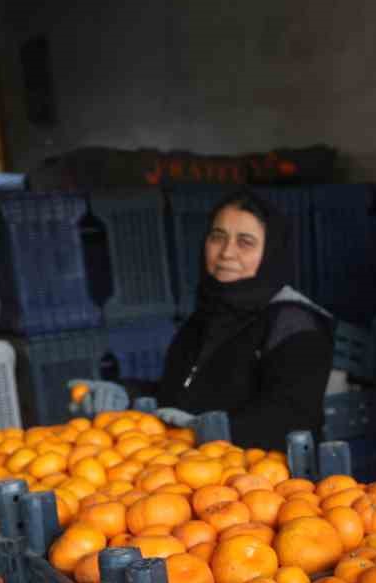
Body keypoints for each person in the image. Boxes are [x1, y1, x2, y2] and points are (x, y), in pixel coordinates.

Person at [72, 187, 334, 449]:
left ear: (271, 253)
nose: (226, 252)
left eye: (245, 242)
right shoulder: (207, 314)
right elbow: (176, 397)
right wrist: (123, 394)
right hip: (189, 470)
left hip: (258, 479)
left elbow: (290, 422)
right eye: (217, 237)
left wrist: (202, 430)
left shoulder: (294, 325)